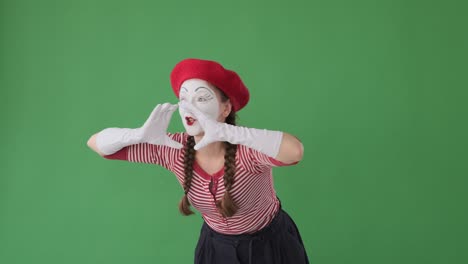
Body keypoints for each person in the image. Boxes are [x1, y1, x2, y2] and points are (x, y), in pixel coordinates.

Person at [87, 58, 309, 264]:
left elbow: (294, 151)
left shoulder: (249, 149)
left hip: (269, 246)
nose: (189, 108)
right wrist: (137, 135)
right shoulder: (173, 148)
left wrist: (229, 133)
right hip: (215, 247)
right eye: (184, 99)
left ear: (225, 108)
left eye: (201, 98)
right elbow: (96, 143)